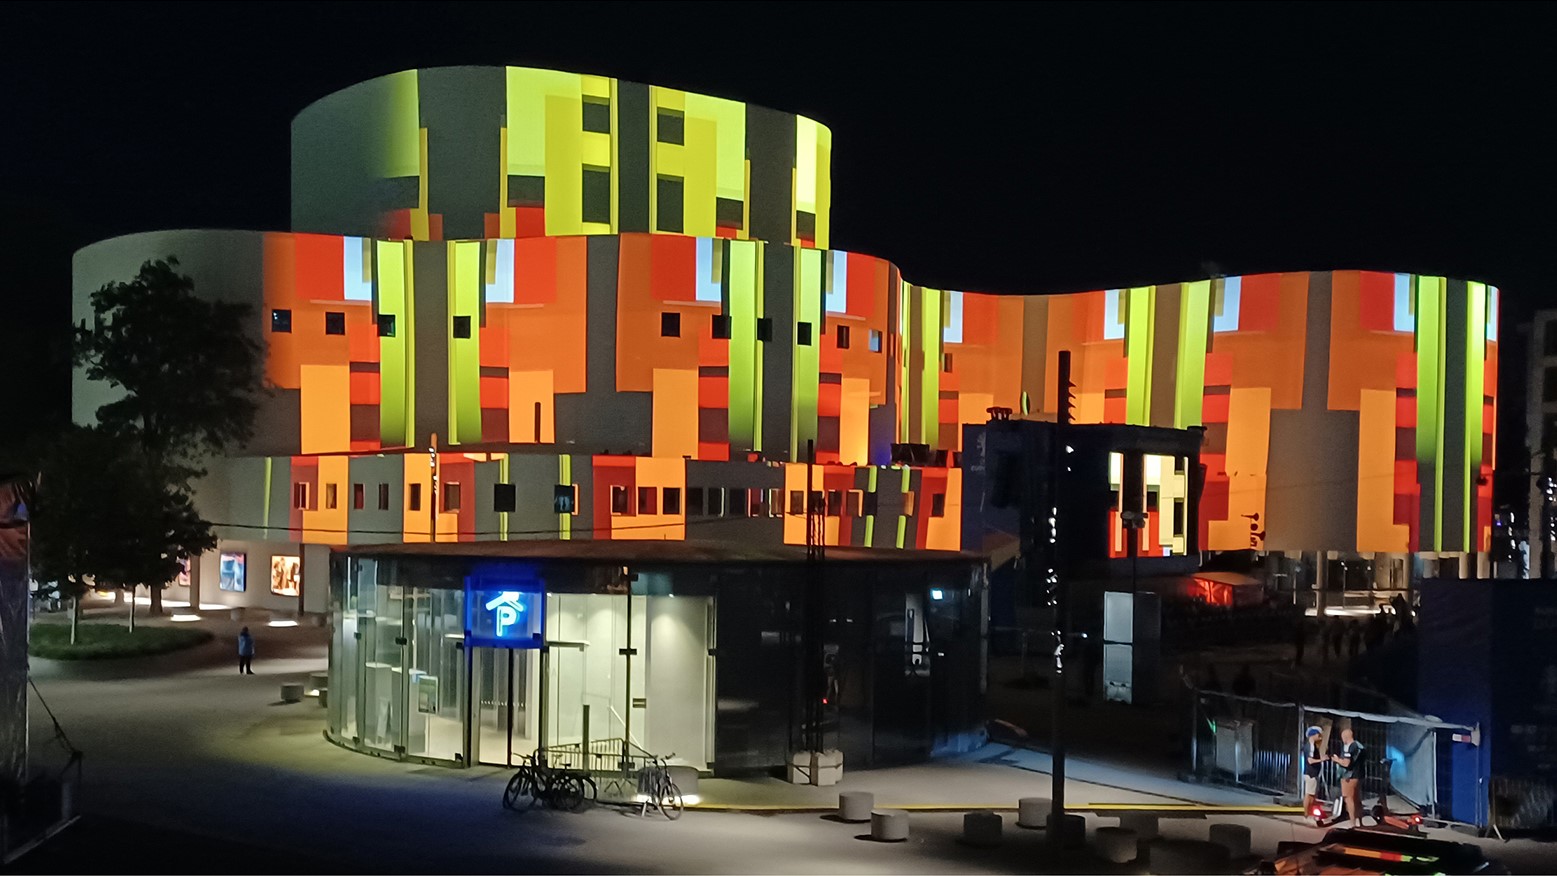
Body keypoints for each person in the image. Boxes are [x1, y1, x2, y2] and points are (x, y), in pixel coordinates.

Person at [1331, 726, 1365, 826]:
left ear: (1345, 737)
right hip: (1359, 775)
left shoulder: (1349, 747)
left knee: (1348, 798)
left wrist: (1337, 760)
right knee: (1357, 799)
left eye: (1342, 738)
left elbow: (1346, 763)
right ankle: (1360, 822)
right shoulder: (1360, 746)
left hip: (1349, 776)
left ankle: (1352, 823)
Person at [1302, 726, 1326, 820]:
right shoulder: (1310, 747)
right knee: (1309, 795)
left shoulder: (1313, 745)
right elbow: (1310, 761)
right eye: (1318, 735)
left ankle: (1309, 813)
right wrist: (1321, 759)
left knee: (1312, 794)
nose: (1319, 736)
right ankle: (1307, 814)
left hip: (1312, 773)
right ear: (1313, 735)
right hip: (1311, 773)